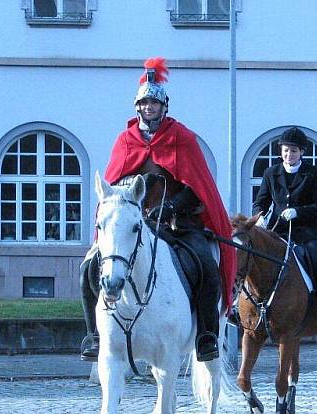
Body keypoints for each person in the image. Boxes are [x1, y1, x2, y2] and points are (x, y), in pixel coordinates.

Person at [79, 57, 236, 362]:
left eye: (154, 103)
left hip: (177, 225)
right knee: (88, 267)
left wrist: (173, 206)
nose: (148, 108)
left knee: (205, 266)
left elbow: (199, 188)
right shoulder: (126, 141)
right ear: (137, 107)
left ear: (164, 107)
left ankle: (206, 335)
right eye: (144, 103)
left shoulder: (183, 139)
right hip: (132, 224)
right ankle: (93, 336)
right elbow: (114, 186)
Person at [252, 126, 317, 328]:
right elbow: (261, 202)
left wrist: (298, 212)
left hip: (306, 232)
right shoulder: (270, 173)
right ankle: (240, 306)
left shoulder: (313, 174)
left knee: (316, 258)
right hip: (277, 231)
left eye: (293, 150)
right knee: (253, 257)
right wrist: (259, 217)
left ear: (301, 152)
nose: (288, 154)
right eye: (285, 150)